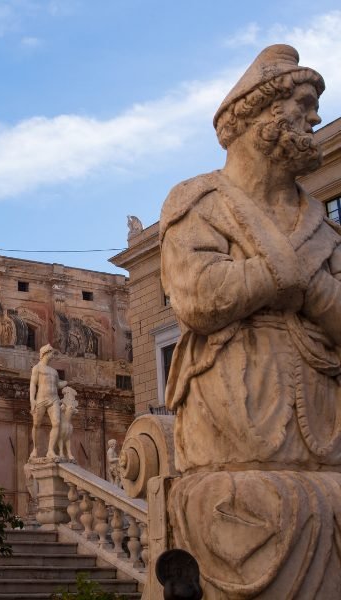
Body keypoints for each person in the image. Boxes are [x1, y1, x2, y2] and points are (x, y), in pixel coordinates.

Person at [161, 44, 341, 597]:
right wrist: (292, 277)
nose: (314, 117)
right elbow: (197, 296)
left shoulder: (320, 223)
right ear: (258, 116)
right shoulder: (199, 202)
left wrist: (292, 283)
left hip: (319, 438)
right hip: (233, 438)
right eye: (304, 103)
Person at [29, 344, 67, 459]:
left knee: (56, 423)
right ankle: (35, 449)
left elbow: (57, 385)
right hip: (41, 398)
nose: (53, 355)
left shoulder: (54, 371)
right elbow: (33, 384)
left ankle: (50, 450)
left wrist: (66, 383)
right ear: (45, 353)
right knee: (36, 424)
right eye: (51, 353)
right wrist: (32, 399)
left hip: (54, 399)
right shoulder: (37, 368)